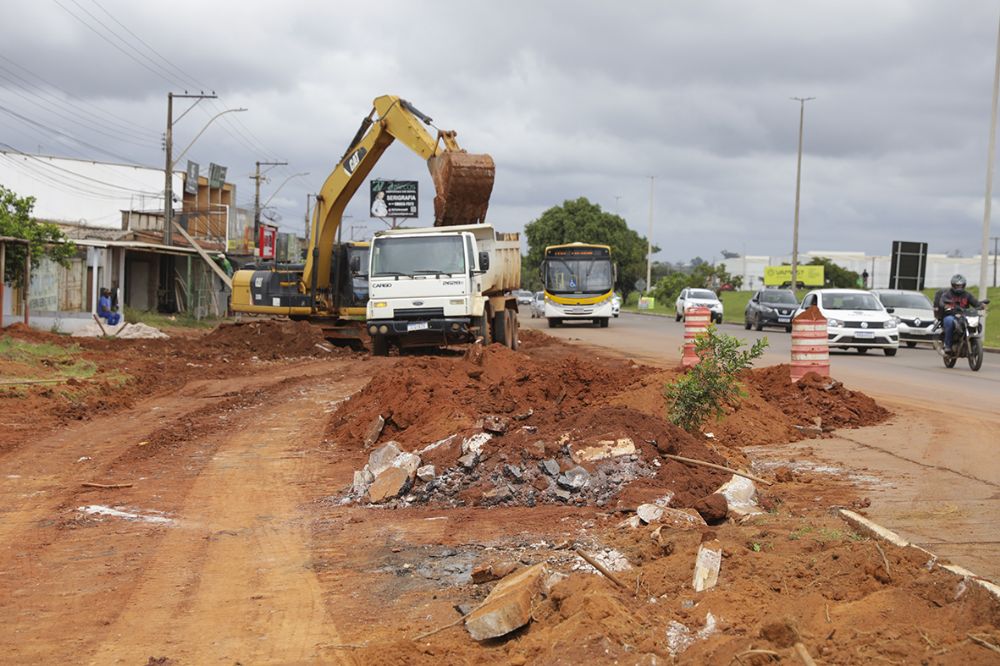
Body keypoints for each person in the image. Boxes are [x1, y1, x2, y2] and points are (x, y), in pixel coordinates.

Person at [933, 274, 983, 354]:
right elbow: (942, 302)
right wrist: (945, 305)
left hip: (963, 316)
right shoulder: (948, 294)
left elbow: (975, 302)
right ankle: (948, 345)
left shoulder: (967, 295)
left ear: (964, 285)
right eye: (957, 286)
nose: (959, 287)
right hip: (951, 314)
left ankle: (971, 342)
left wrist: (980, 305)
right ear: (953, 285)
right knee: (949, 321)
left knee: (975, 322)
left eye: (961, 285)